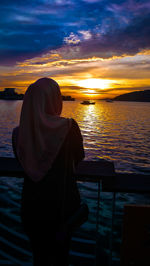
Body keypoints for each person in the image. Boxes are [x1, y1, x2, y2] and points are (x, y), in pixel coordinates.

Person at [12, 77, 85, 266]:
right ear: (53, 100)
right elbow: (79, 158)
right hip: (62, 211)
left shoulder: (18, 133)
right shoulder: (69, 128)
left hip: (31, 209)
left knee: (39, 258)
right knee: (61, 259)